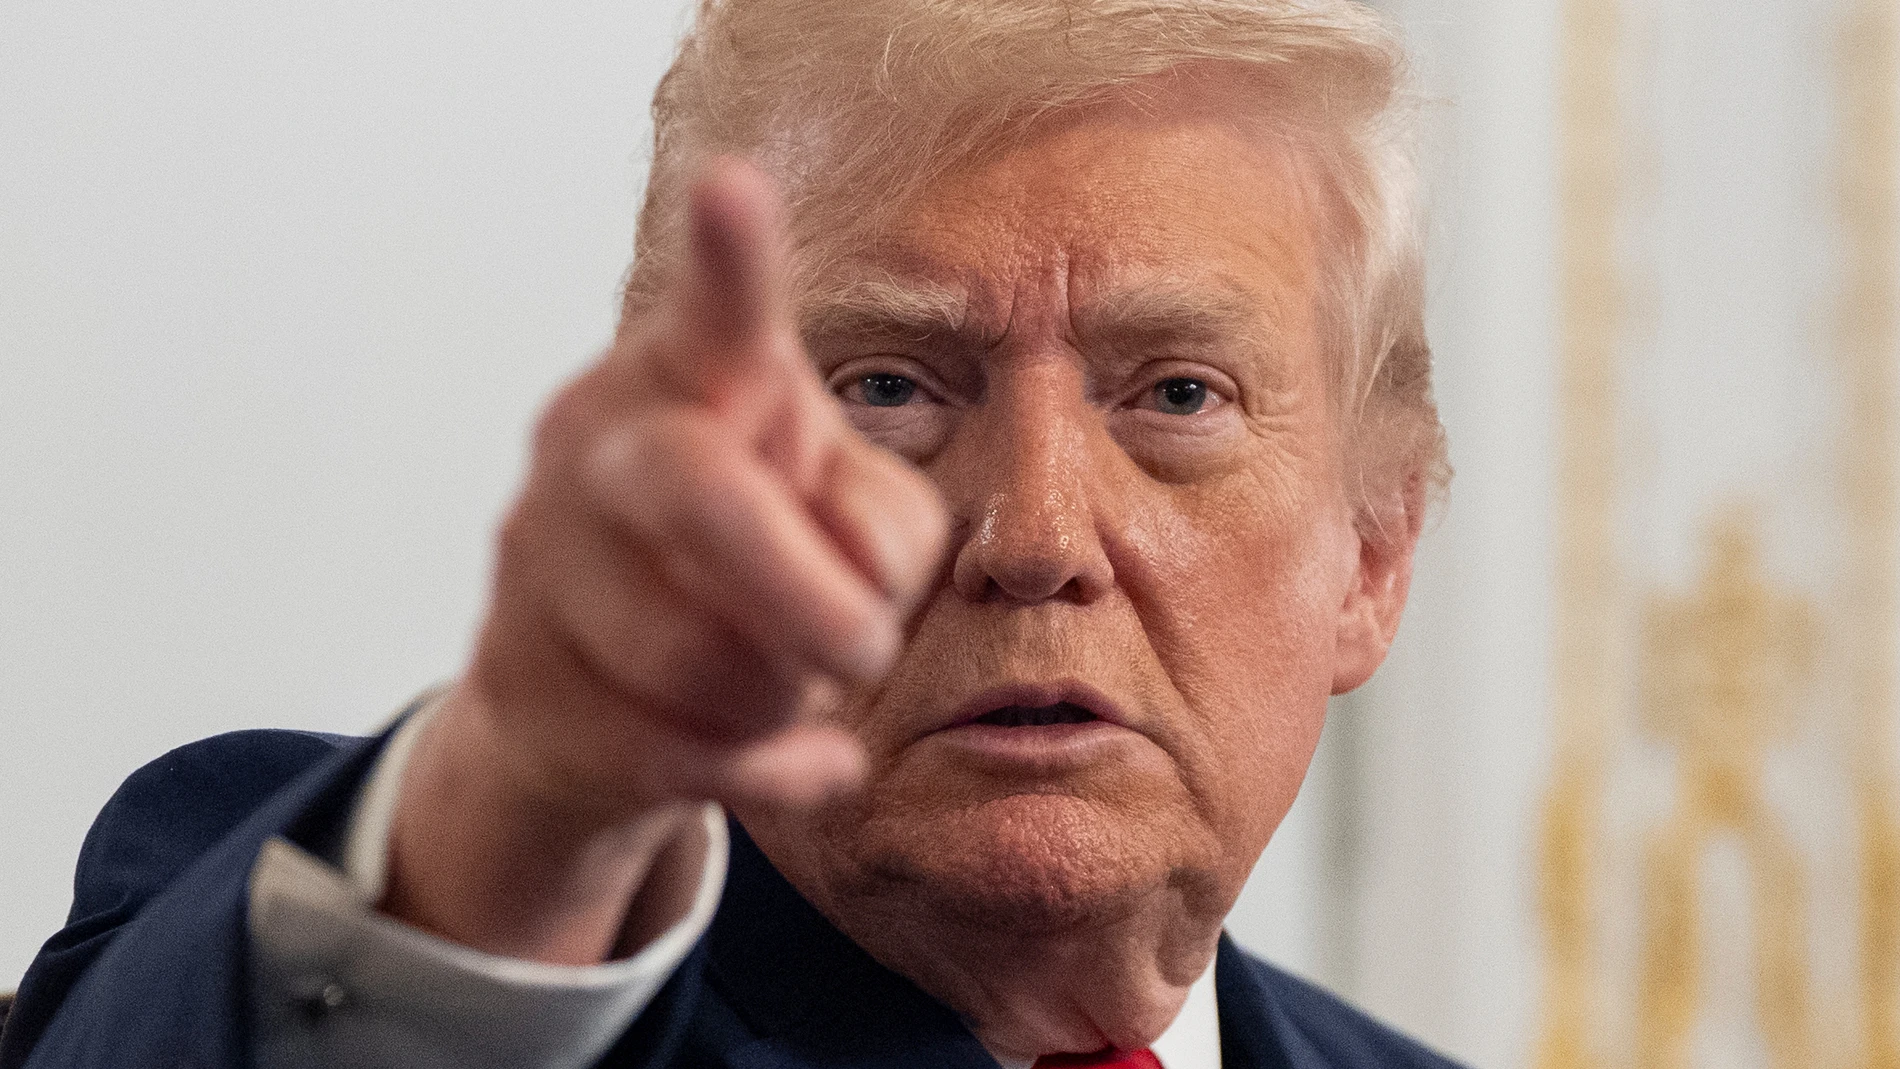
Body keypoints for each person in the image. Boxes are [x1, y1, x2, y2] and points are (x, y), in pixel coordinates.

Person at [0, 1, 1460, 1066]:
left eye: (1179, 393)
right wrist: (515, 802)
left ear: (1374, 559)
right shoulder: (389, 923)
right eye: (887, 387)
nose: (1032, 533)